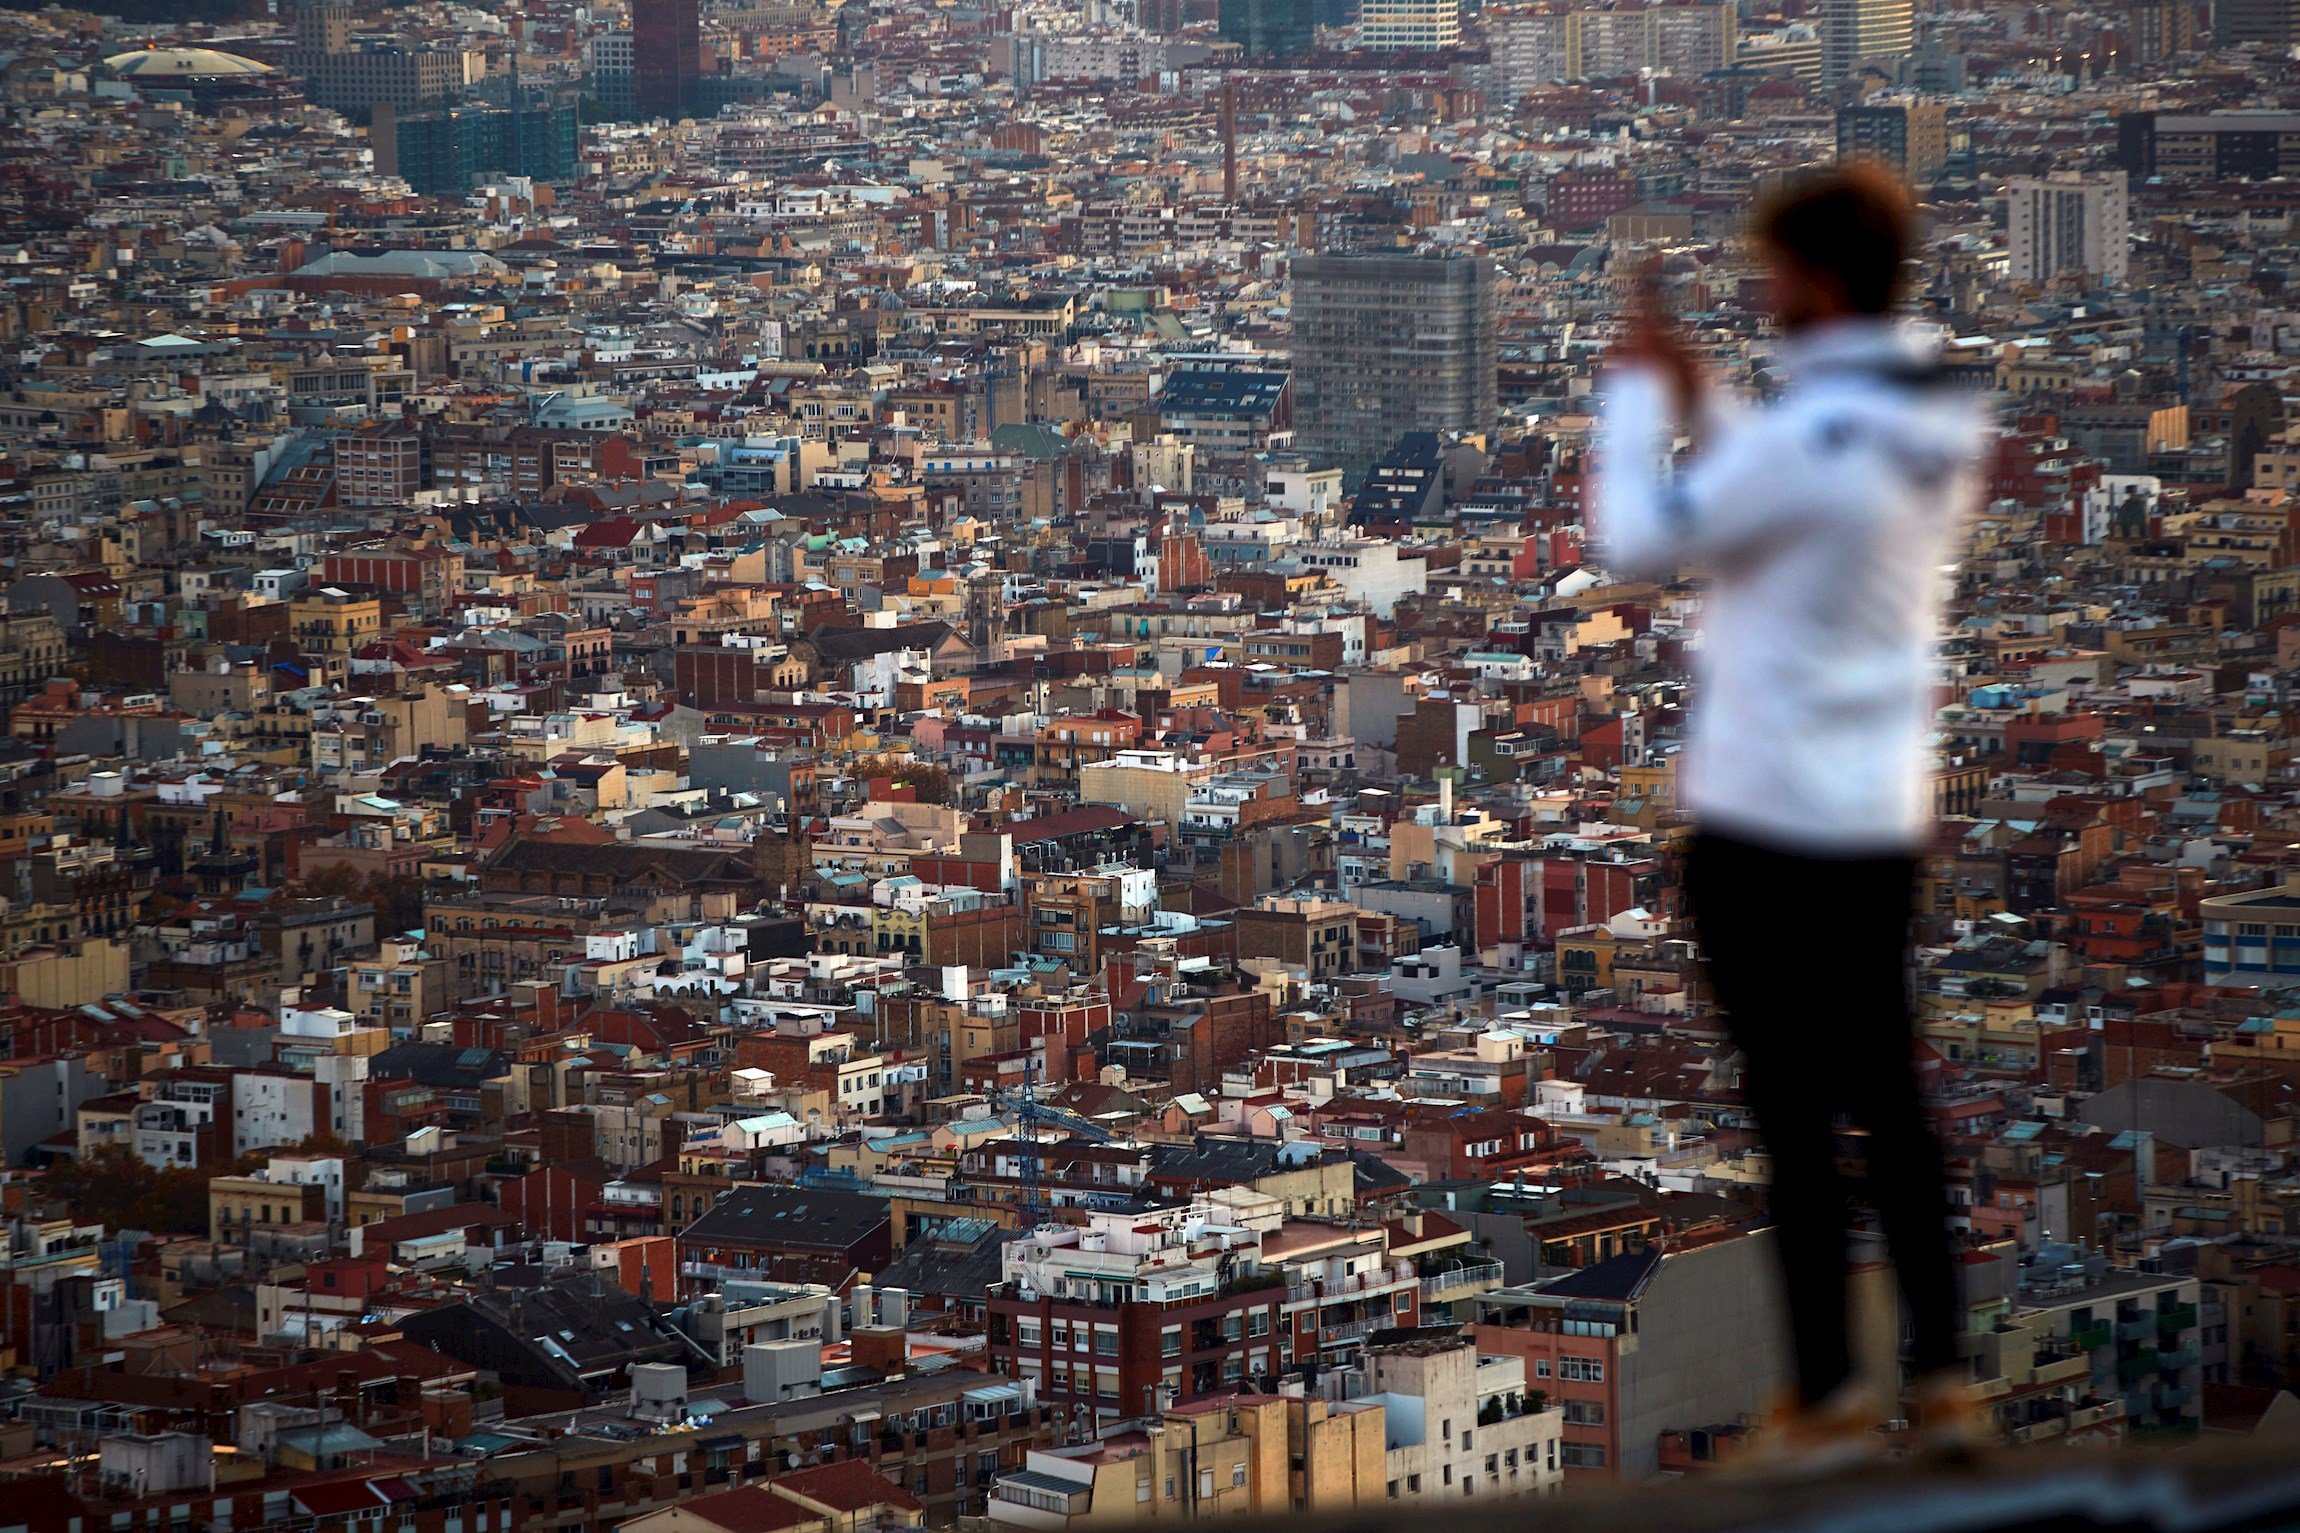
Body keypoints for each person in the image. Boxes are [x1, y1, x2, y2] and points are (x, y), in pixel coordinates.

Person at [1594, 164, 1993, 1463]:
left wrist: (1641, 392)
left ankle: (1826, 1395)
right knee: (1890, 1092)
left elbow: (1635, 535)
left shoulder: (1813, 445)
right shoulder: (1929, 412)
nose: (1760, 295)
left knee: (1792, 1111)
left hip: (1768, 817)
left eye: (1773, 274)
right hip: (1876, 810)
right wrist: (1711, 396)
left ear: (1817, 281)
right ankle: (1940, 1376)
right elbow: (1783, 482)